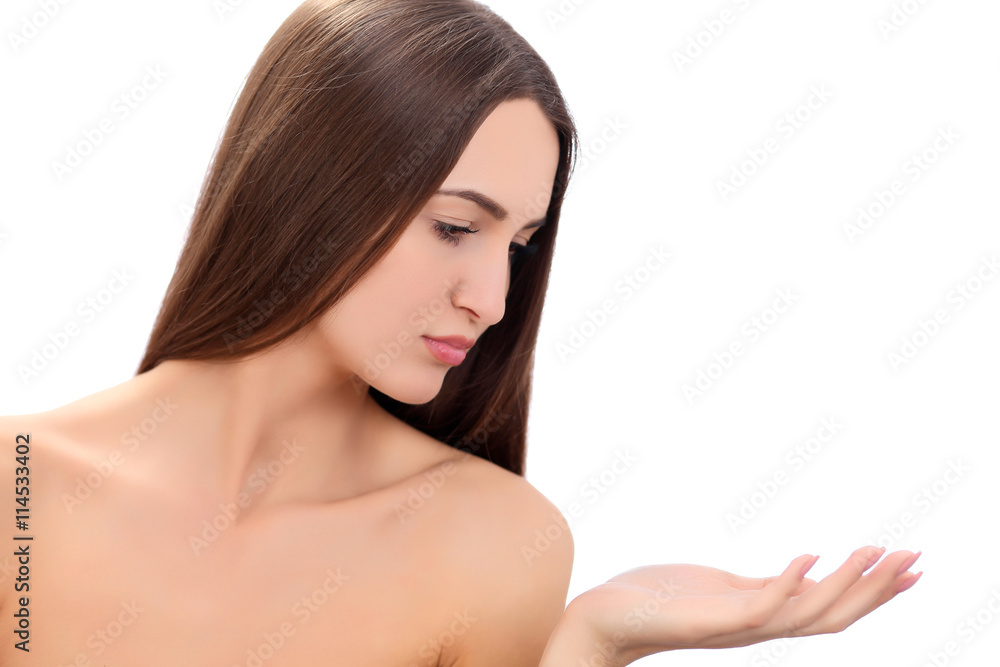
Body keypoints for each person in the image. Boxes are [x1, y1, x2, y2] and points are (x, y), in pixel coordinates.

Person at [1, 0, 921, 665]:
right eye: (454, 226)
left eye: (518, 245)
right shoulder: (20, 489)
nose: (494, 298)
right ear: (305, 191)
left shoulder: (491, 543)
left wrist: (591, 641)